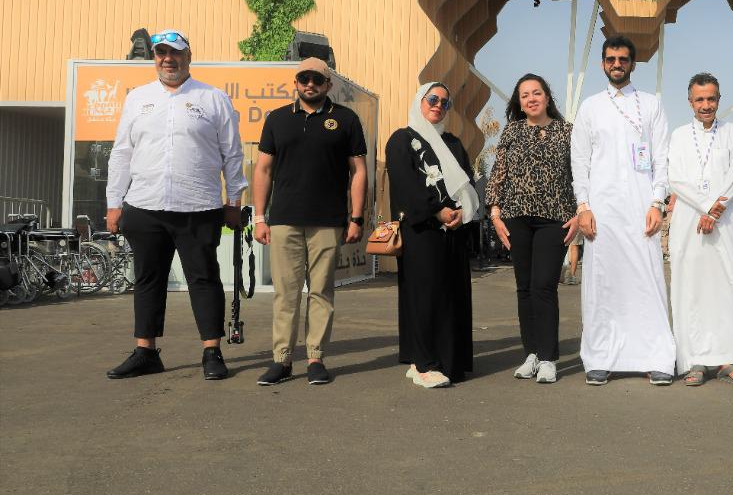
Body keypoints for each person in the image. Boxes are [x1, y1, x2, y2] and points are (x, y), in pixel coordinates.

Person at [104, 30, 247, 380]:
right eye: (161, 53)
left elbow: (233, 153)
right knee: (148, 279)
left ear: (188, 56)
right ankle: (146, 352)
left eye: (175, 53)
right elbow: (122, 153)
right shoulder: (137, 98)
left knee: (204, 279)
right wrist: (113, 203)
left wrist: (234, 201)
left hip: (198, 207)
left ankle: (212, 352)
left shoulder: (213, 98)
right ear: (154, 58)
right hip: (144, 205)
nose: (168, 59)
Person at [251, 57, 368, 386]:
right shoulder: (277, 120)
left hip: (328, 221)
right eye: (304, 78)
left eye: (317, 79)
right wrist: (260, 217)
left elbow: (359, 172)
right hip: (284, 220)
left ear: (328, 84)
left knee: (321, 293)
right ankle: (282, 360)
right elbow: (263, 170)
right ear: (296, 82)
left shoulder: (345, 120)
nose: (310, 84)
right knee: (285, 294)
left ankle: (315, 357)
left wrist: (356, 217)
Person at [571, 35, 677, 386]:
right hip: (601, 209)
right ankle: (601, 356)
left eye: (623, 59)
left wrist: (657, 201)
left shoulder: (651, 104)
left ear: (633, 63)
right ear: (603, 63)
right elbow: (580, 162)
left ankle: (655, 356)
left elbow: (662, 157)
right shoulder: (590, 107)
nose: (617, 64)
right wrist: (583, 206)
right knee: (604, 281)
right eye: (610, 59)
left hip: (641, 206)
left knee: (646, 279)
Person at [486, 73, 579, 384]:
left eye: (536, 92)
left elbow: (580, 175)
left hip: (555, 218)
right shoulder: (512, 131)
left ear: (547, 97)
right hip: (516, 218)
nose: (531, 99)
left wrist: (579, 214)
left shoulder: (567, 132)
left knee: (544, 285)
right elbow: (498, 173)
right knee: (524, 287)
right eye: (524, 95)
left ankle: (550, 357)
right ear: (520, 103)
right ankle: (532, 354)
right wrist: (495, 214)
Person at [386, 82, 480, 389]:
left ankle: (450, 361)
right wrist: (436, 211)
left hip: (452, 233)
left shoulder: (453, 143)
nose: (438, 105)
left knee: (451, 295)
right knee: (423, 296)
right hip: (422, 232)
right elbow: (405, 184)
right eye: (433, 99)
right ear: (420, 101)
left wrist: (460, 213)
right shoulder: (403, 139)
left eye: (445, 103)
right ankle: (424, 362)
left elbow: (466, 184)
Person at [668, 73, 733, 387]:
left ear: (719, 99)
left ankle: (730, 359)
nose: (706, 105)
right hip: (690, 222)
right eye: (699, 99)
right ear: (690, 101)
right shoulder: (677, 135)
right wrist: (706, 207)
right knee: (692, 288)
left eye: (711, 99)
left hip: (727, 221)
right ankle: (695, 360)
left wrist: (716, 209)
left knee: (729, 287)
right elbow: (674, 177)